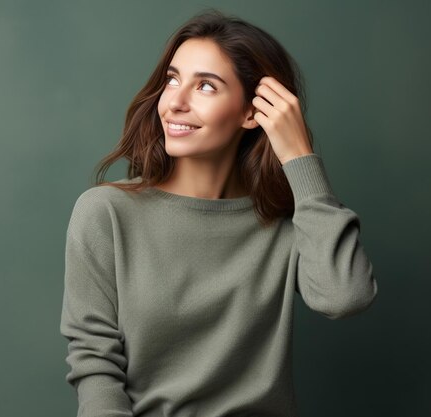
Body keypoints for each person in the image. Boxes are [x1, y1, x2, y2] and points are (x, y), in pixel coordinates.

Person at [60, 8, 378, 417]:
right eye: (172, 79)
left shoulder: (289, 222)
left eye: (205, 86)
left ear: (253, 113)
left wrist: (300, 157)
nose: (174, 101)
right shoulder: (106, 213)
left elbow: (345, 296)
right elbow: (95, 366)